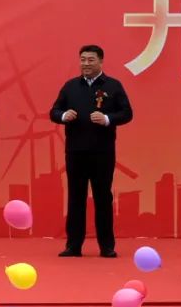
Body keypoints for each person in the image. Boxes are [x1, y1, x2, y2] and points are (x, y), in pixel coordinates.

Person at [49, 44, 133, 258]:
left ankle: (107, 246)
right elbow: (54, 111)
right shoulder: (70, 86)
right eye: (83, 60)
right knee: (75, 198)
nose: (86, 64)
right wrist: (63, 116)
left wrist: (107, 119)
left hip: (102, 152)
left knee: (103, 198)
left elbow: (127, 113)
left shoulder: (113, 86)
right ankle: (73, 246)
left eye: (91, 60)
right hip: (75, 152)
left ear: (100, 61)